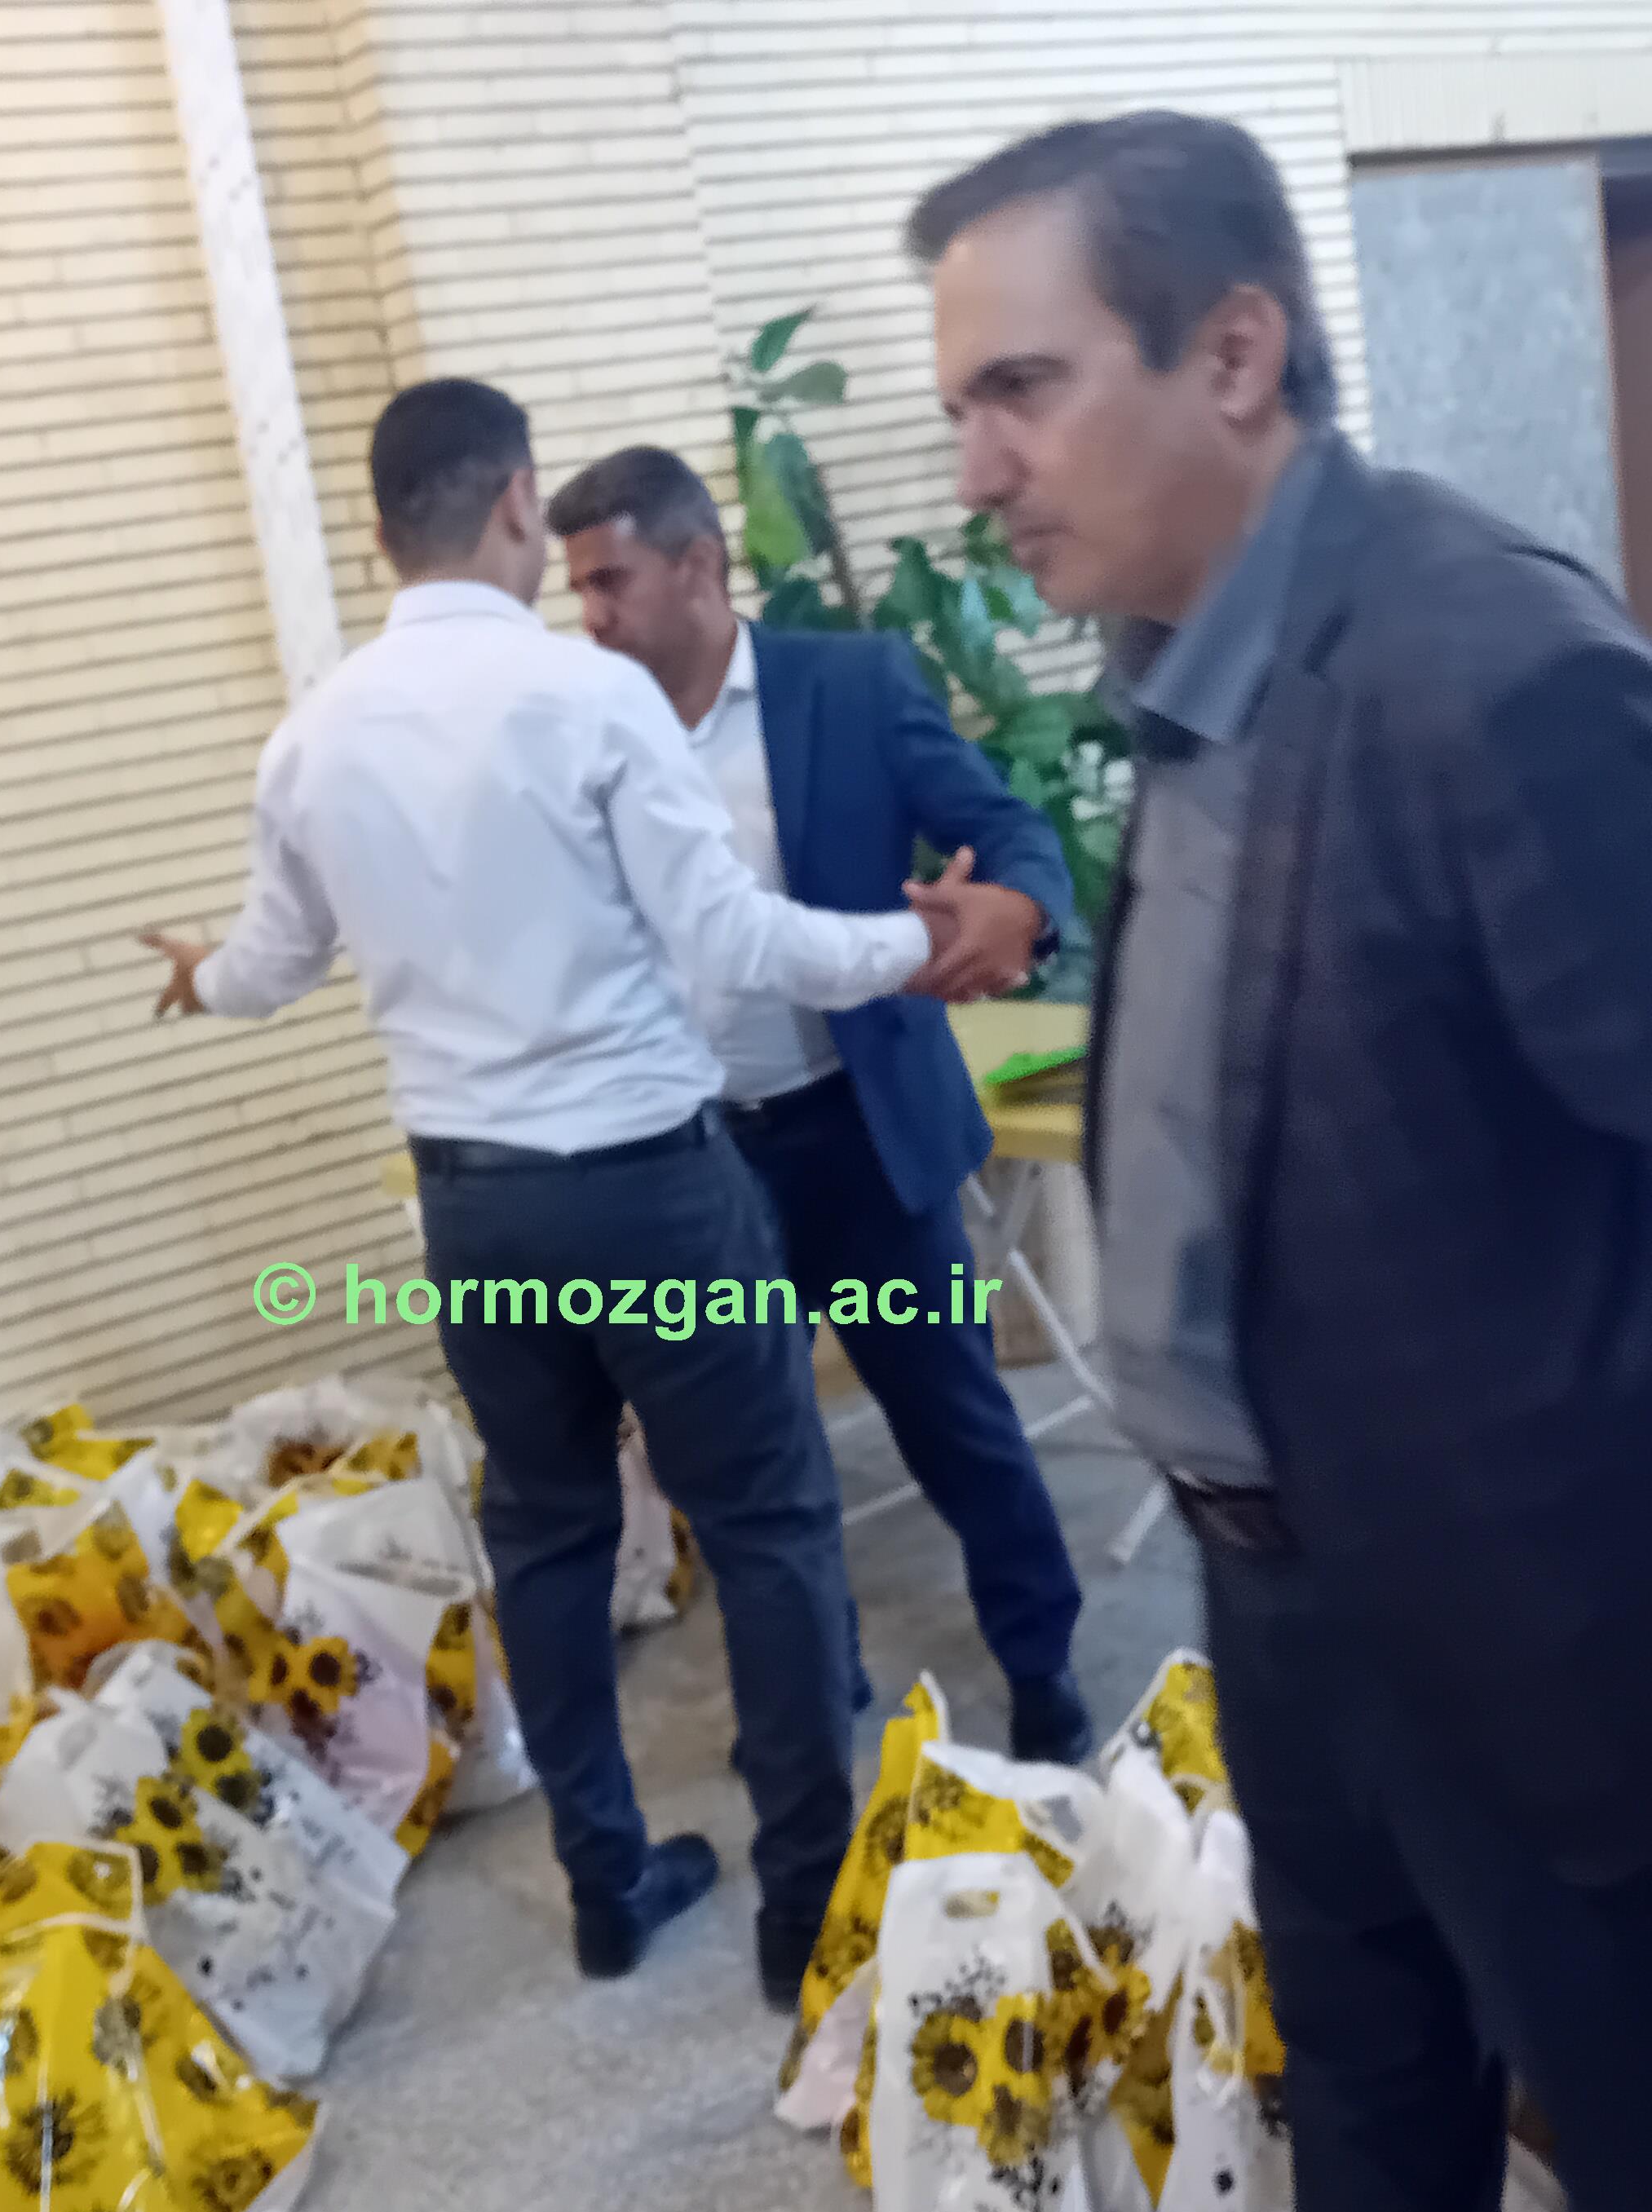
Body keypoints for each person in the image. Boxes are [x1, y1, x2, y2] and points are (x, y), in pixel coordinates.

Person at [911, 113, 1652, 2212]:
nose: (976, 469)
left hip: (1527, 1596)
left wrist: (1572, 1318)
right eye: (965, 405)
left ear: (1230, 351)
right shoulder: (1192, 671)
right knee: (1366, 2118)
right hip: (1291, 1585)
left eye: (1020, 388)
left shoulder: (1485, 663)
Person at [143, 379, 1034, 2007]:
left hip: (475, 1211)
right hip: (646, 1194)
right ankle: (803, 1911)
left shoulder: (312, 736)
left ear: (379, 531)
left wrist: (198, 976)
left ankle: (608, 1885)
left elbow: (269, 968)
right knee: (767, 1525)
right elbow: (736, 942)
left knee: (549, 1537)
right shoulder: (588, 698)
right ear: (515, 503)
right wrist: (921, 943)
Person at [543, 444, 1099, 1768]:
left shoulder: (850, 688)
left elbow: (1005, 827)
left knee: (956, 1421)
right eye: (578, 588)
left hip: (860, 1137)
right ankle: (817, 1687)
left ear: (698, 565)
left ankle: (1042, 1663)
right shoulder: (579, 727)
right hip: (696, 1166)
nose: (591, 615)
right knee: (752, 1461)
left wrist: (1022, 907)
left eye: (612, 581)